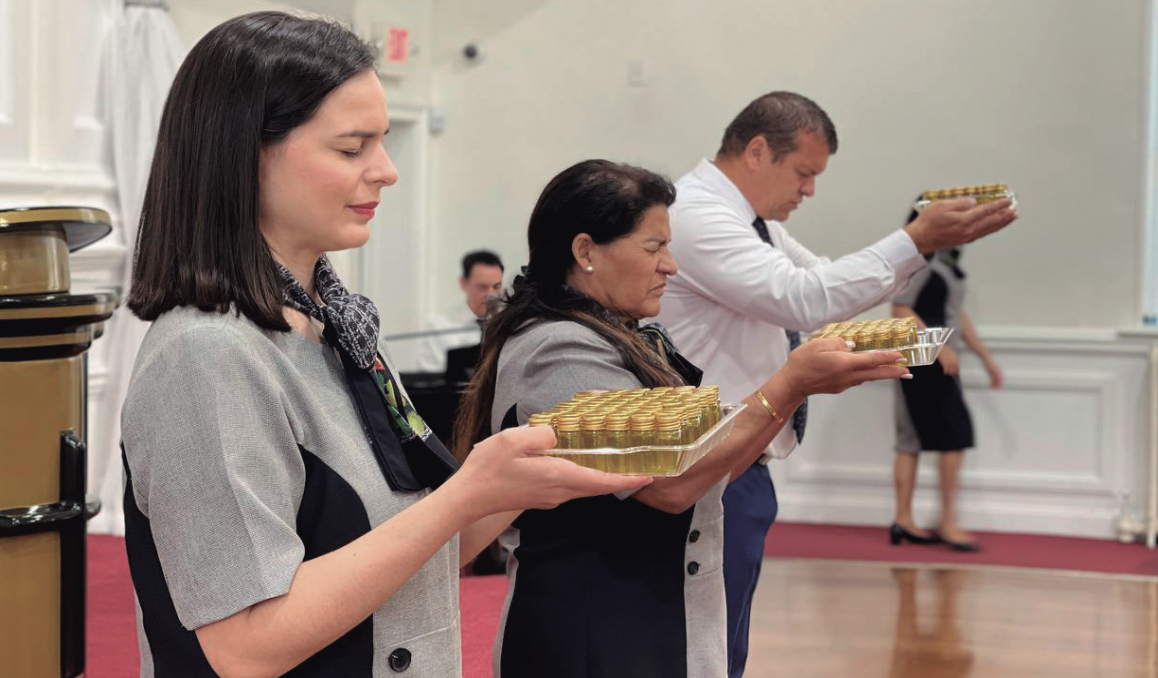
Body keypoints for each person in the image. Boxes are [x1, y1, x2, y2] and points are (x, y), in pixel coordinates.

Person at [118, 13, 648, 677]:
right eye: (352, 148)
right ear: (244, 153)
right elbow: (246, 646)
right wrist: (464, 494)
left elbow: (416, 554)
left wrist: (525, 472)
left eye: (384, 142)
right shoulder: (205, 355)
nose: (387, 171)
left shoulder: (337, 326)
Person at [452, 159, 912, 678]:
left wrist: (786, 393)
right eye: (655, 248)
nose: (670, 265)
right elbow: (667, 486)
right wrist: (789, 384)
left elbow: (706, 465)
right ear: (585, 252)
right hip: (591, 634)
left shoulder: (617, 332)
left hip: (642, 620)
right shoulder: (557, 348)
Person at [652, 91, 1018, 677]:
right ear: (756, 151)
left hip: (743, 456)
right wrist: (914, 239)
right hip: (706, 459)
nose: (810, 191)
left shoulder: (752, 220)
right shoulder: (696, 213)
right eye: (804, 173)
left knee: (722, 644)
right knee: (701, 648)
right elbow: (802, 299)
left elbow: (820, 279)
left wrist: (913, 253)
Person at [891, 234, 1003, 552]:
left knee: (914, 437)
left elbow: (957, 314)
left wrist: (985, 358)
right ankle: (944, 521)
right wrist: (939, 349)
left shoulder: (948, 262)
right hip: (926, 359)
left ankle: (904, 520)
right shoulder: (922, 259)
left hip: (935, 358)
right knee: (951, 435)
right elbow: (900, 309)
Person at [415, 250, 505, 373]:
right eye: (482, 287)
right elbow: (429, 378)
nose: (491, 294)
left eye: (496, 287)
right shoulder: (440, 327)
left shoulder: (508, 325)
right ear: (463, 283)